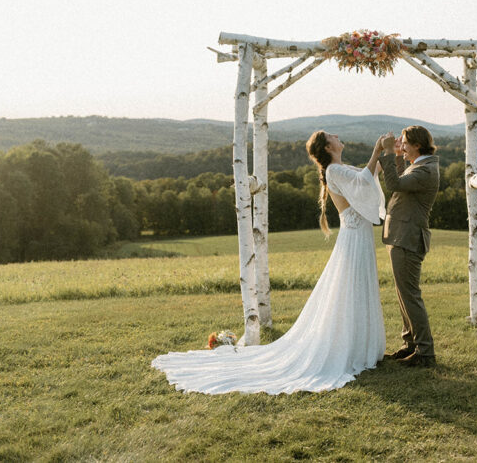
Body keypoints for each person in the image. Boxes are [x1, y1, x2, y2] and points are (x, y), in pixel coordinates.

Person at [151, 131, 387, 394]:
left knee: (356, 289)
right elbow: (362, 180)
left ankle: (356, 344)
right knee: (350, 289)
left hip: (358, 235)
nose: (338, 136)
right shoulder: (333, 170)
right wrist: (377, 148)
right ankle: (349, 347)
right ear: (327, 146)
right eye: (333, 135)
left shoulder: (340, 168)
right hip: (354, 237)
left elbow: (366, 176)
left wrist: (387, 154)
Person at [378, 125, 440, 368]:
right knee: (404, 295)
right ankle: (410, 345)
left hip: (408, 238)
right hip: (401, 236)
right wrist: (395, 156)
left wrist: (386, 153)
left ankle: (425, 352)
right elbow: (403, 179)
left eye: (404, 143)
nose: (401, 147)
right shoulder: (420, 165)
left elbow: (394, 184)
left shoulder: (425, 170)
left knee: (410, 296)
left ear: (417, 145)